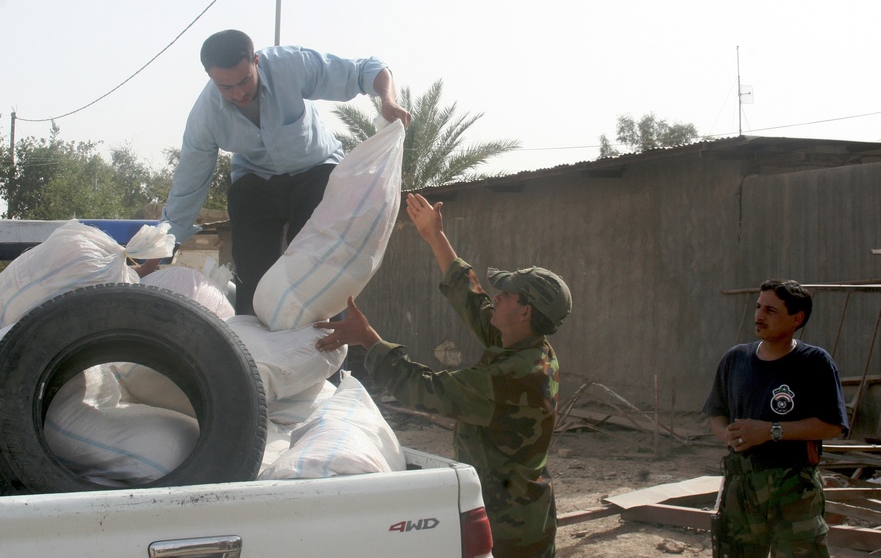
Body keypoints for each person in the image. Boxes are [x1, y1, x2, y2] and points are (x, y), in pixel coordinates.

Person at [315, 193, 572, 557]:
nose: (496, 297)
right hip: (520, 509)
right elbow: (472, 299)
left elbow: (425, 389)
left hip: (511, 527)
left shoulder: (516, 375)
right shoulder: (527, 344)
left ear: (525, 311)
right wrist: (435, 236)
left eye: (507, 294)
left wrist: (366, 338)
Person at [140, 29, 411, 314]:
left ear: (256, 60)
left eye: (245, 81)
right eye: (226, 87)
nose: (239, 93)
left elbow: (367, 69)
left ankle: (326, 342)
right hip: (256, 180)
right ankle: (252, 344)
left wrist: (388, 99)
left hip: (315, 170)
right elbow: (187, 190)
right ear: (210, 77)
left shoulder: (290, 65)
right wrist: (152, 260)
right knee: (252, 269)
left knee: (318, 269)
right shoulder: (205, 117)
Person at [703, 279, 848, 557]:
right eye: (758, 307)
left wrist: (772, 431)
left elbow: (832, 426)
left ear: (796, 318)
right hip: (741, 485)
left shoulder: (814, 362)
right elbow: (716, 414)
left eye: (770, 310)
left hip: (793, 486)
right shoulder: (736, 358)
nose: (758, 315)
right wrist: (727, 435)